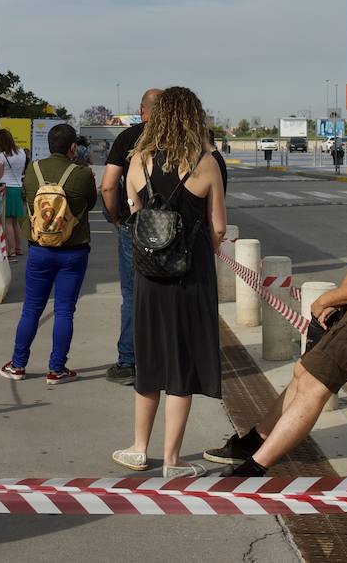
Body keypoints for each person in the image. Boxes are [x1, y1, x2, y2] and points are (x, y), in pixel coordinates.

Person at [208, 123, 347, 476]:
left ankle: (257, 465)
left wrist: (325, 298)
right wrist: (336, 302)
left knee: (313, 383)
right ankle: (259, 436)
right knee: (302, 369)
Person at [111, 87, 226, 477]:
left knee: (149, 356)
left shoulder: (137, 160)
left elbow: (136, 215)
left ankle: (138, 447)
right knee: (182, 364)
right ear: (193, 117)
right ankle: (173, 460)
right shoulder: (205, 162)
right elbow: (219, 227)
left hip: (148, 276)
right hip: (190, 276)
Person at [0, 123, 97, 383]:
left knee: (31, 308)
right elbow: (91, 203)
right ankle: (57, 369)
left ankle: (18, 365)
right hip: (73, 250)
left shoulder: (33, 170)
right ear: (73, 147)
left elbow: (29, 201)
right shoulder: (82, 173)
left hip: (39, 248)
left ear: (48, 145)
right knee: (65, 310)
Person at [99, 88, 163, 387]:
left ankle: (129, 362)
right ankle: (165, 360)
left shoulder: (128, 138)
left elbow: (109, 186)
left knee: (131, 294)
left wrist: (114, 217)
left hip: (134, 225)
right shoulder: (180, 140)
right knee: (168, 292)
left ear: (142, 109)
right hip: (171, 228)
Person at [0, 128, 29, 258]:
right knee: (15, 221)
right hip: (17, 187)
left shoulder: (1, 156)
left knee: (6, 222)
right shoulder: (22, 152)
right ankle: (18, 248)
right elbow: (22, 171)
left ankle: (10, 250)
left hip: (4, 188)